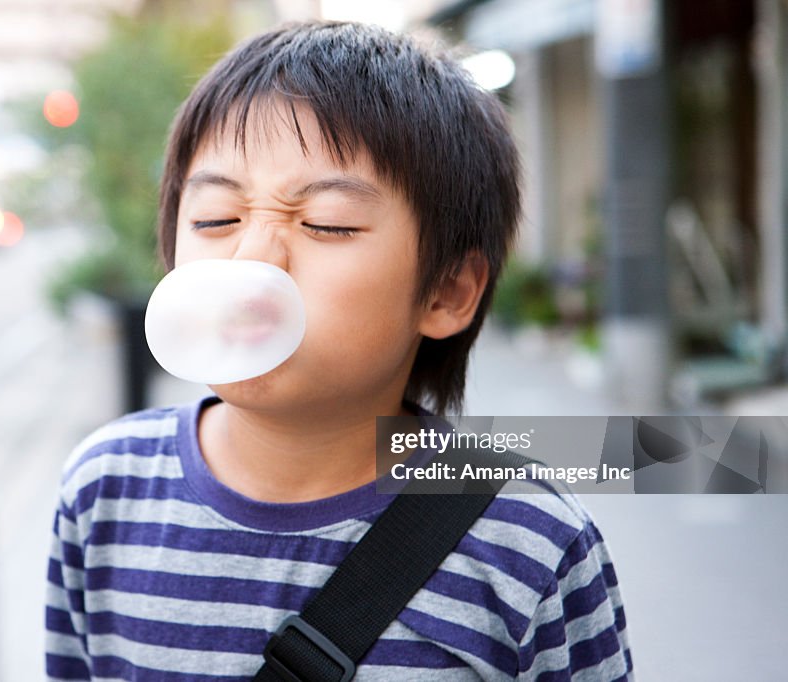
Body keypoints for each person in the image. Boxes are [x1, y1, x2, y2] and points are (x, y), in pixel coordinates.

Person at [45, 20, 633, 681]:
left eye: (327, 223)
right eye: (215, 219)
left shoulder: (528, 542)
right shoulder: (106, 488)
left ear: (446, 292)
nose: (253, 257)